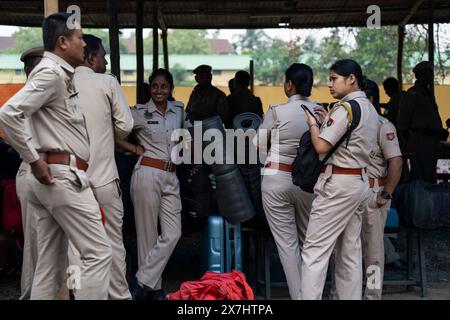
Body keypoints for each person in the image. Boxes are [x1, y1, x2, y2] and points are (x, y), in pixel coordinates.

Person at [0, 13, 112, 300]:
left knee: (50, 267)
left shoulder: (58, 73)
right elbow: (8, 114)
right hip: (60, 175)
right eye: (78, 38)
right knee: (98, 253)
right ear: (63, 42)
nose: (84, 44)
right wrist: (34, 160)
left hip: (53, 176)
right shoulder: (51, 73)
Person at [300, 59, 378, 300]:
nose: (330, 84)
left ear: (351, 79)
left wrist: (314, 125)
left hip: (338, 185)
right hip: (359, 183)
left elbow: (322, 146)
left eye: (334, 78)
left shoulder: (346, 108)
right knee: (349, 253)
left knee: (314, 251)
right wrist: (327, 121)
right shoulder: (370, 109)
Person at [116, 68, 187, 300]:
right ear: (150, 88)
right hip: (147, 172)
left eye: (163, 86)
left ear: (170, 89)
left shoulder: (179, 110)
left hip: (171, 175)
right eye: (154, 86)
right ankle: (154, 290)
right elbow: (113, 132)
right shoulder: (138, 112)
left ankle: (141, 281)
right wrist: (133, 148)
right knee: (147, 236)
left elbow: (185, 137)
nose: (159, 91)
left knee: (173, 233)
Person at [73, 34, 134, 300]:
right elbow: (127, 125)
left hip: (72, 180)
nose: (106, 61)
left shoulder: (60, 82)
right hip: (105, 179)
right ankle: (119, 296)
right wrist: (109, 133)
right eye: (103, 56)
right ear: (91, 58)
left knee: (75, 247)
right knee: (112, 245)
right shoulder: (106, 82)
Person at [256, 63, 316, 300]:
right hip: (309, 184)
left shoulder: (276, 111)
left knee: (287, 246)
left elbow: (257, 145)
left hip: (276, 180)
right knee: (310, 244)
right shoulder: (321, 111)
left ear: (289, 84)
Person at [362, 79, 403, 299]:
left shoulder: (382, 125)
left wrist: (385, 194)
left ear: (370, 99)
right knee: (345, 250)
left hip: (373, 192)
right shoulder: (350, 124)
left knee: (373, 253)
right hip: (350, 194)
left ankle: (372, 295)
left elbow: (396, 163)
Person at [15, 47, 44, 300]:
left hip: (43, 172)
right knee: (35, 246)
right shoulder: (30, 96)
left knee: (44, 244)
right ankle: (30, 295)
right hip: (33, 170)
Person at [397, 61, 443, 184]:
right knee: (420, 176)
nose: (430, 76)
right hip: (420, 138)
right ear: (418, 76)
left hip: (431, 139)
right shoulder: (413, 94)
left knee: (429, 174)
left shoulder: (427, 94)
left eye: (431, 73)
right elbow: (403, 121)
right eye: (426, 73)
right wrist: (411, 139)